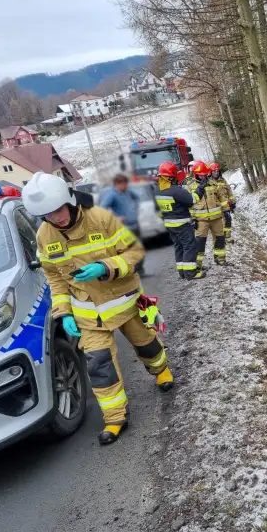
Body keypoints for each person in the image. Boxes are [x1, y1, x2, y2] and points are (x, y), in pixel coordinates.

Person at [22, 172, 175, 446]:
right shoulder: (45, 235)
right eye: (48, 214)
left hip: (125, 301)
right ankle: (116, 418)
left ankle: (161, 370)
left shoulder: (101, 218)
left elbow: (134, 253)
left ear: (69, 201)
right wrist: (64, 313)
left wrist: (106, 267)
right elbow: (55, 279)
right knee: (99, 364)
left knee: (146, 344)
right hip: (89, 314)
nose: (56, 218)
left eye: (58, 210)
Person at [154, 161, 205, 280]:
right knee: (189, 246)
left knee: (178, 247)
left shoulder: (157, 191)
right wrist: (200, 189)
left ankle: (182, 272)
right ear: (171, 177)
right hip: (182, 224)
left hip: (169, 225)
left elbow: (157, 210)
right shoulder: (176, 190)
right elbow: (192, 200)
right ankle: (191, 273)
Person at [99, 174, 145, 276]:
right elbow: (102, 209)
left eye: (126, 183)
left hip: (135, 225)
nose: (126, 186)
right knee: (131, 250)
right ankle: (134, 271)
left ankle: (140, 270)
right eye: (124, 184)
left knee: (140, 248)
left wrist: (134, 207)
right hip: (125, 228)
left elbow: (137, 197)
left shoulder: (128, 192)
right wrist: (115, 218)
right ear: (117, 184)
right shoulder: (112, 195)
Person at [188, 160, 227, 267]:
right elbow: (188, 204)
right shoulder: (190, 186)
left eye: (205, 174)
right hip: (201, 220)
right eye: (201, 174)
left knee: (220, 239)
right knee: (200, 243)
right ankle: (198, 265)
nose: (203, 176)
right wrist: (192, 219)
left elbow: (222, 197)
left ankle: (220, 260)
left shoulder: (213, 183)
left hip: (216, 218)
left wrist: (226, 210)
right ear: (195, 173)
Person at [209, 163, 235, 244]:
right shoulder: (208, 182)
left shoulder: (223, 180)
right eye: (214, 171)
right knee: (217, 224)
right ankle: (220, 238)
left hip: (226, 206)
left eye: (217, 171)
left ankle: (228, 237)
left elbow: (229, 191)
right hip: (215, 207)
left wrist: (232, 202)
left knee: (228, 220)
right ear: (211, 172)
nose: (216, 173)